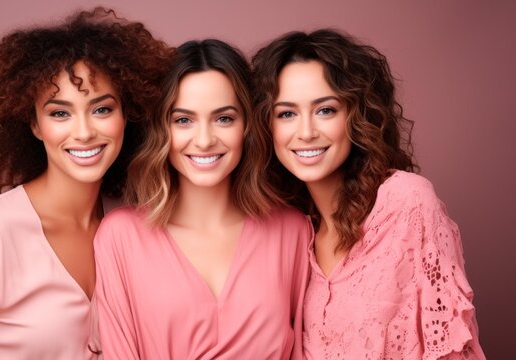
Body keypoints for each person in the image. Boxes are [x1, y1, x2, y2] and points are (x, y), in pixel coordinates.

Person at [0, 8, 173, 359]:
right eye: (59, 113)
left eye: (102, 109)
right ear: (35, 125)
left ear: (128, 115)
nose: (84, 132)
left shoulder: (139, 228)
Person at [252, 29, 485, 359]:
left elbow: (451, 348)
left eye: (325, 110)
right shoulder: (294, 231)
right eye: (286, 113)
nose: (305, 132)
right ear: (266, 126)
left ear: (356, 115)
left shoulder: (407, 202)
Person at [94, 39, 312, 359]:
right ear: (161, 130)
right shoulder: (121, 236)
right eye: (183, 120)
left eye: (223, 118)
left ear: (247, 126)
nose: (205, 139)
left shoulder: (292, 231)